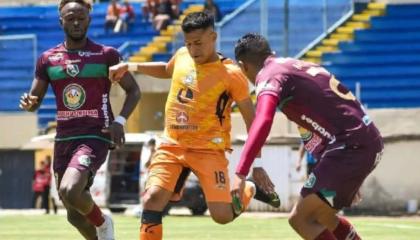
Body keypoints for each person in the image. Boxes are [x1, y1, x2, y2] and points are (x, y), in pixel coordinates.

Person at [109, 12, 279, 240]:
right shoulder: (182, 55)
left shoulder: (232, 74)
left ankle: (251, 189)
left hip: (208, 150)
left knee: (222, 215)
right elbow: (167, 69)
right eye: (188, 43)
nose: (192, 49)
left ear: (213, 37)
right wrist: (131, 66)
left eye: (198, 43)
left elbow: (253, 120)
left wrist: (256, 165)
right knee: (152, 199)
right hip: (172, 145)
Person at [232, 33, 383, 240]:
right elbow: (333, 116)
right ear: (271, 53)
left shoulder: (269, 76)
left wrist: (240, 173)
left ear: (243, 67)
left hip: (350, 147)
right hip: (365, 141)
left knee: (300, 219)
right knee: (323, 216)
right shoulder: (295, 66)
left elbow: (263, 119)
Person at [19, 1, 141, 239]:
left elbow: (134, 91)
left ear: (89, 19)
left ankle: (104, 223)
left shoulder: (107, 55)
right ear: (61, 21)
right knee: (74, 214)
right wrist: (29, 103)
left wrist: (120, 121)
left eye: (81, 18)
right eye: (70, 18)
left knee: (71, 190)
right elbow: (34, 100)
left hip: (96, 133)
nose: (76, 22)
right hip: (64, 137)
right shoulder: (47, 59)